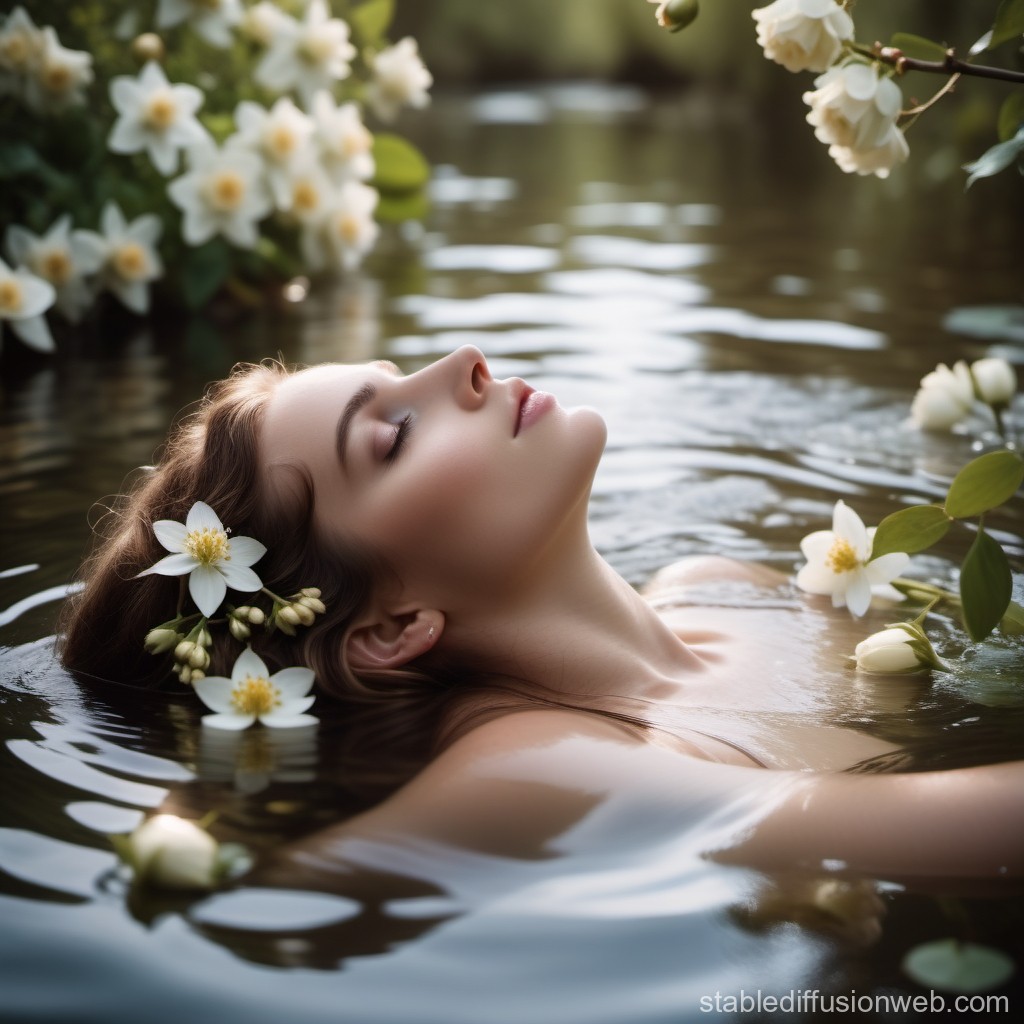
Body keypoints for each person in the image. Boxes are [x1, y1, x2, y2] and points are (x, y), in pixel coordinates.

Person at [59, 345, 1024, 885]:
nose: (464, 362)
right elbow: (226, 886)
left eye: (400, 369)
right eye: (394, 435)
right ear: (388, 630)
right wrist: (195, 797)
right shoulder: (535, 766)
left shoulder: (727, 585)